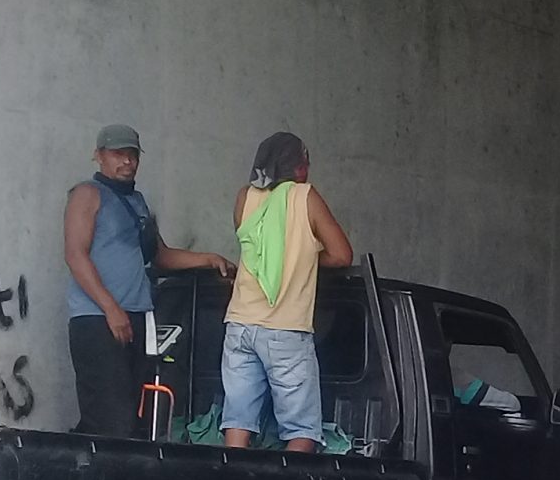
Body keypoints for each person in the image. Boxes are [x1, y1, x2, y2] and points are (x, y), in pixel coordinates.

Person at [64, 123, 234, 435]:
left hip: (137, 318)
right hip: (97, 319)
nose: (127, 162)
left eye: (132, 155)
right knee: (109, 417)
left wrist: (207, 258)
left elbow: (159, 255)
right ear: (98, 156)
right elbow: (76, 255)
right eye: (118, 154)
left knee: (134, 415)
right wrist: (111, 309)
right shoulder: (87, 194)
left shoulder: (137, 201)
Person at [222, 131, 352, 451]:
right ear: (298, 168)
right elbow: (342, 254)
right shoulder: (305, 196)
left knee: (238, 421)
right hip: (286, 329)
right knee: (300, 427)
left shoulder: (244, 197)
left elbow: (256, 247)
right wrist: (303, 257)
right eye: (305, 163)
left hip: (240, 324)